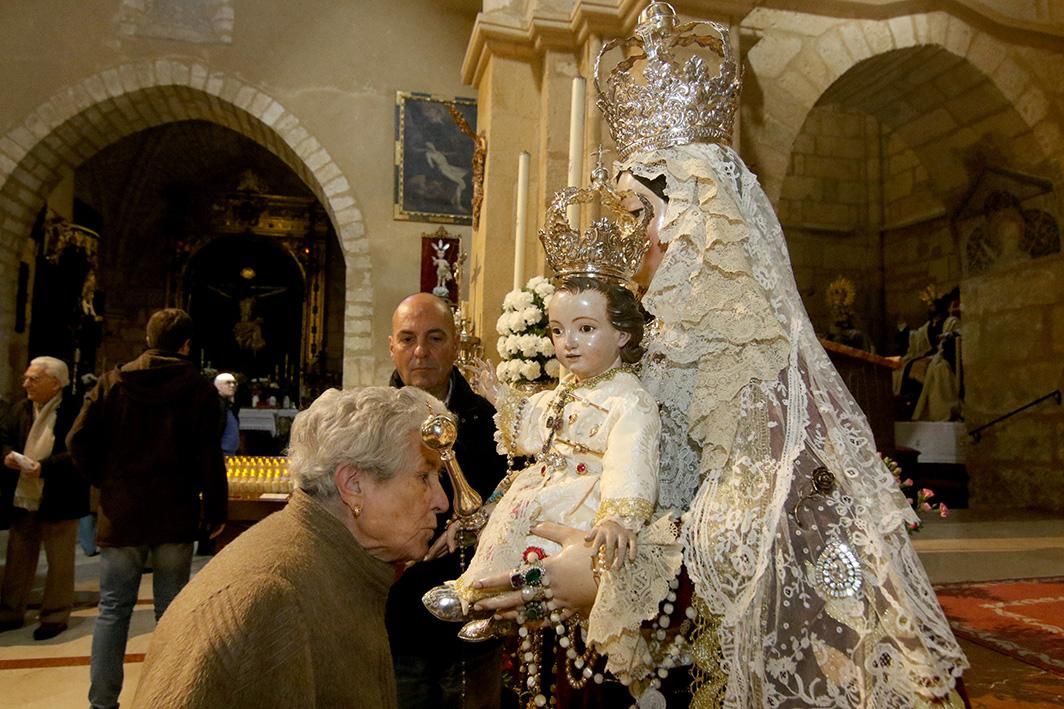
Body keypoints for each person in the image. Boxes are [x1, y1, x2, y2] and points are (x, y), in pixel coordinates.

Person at [474, 4, 968, 707]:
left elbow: (748, 540)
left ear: (699, 221)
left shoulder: (754, 358)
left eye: (638, 216)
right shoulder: (650, 344)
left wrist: (617, 571)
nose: (628, 237)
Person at [131, 386, 450, 709]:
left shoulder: (344, 566)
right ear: (353, 485)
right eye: (424, 477)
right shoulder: (268, 596)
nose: (442, 501)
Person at [68, 308, 229, 709]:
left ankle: (102, 703)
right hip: (174, 513)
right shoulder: (198, 388)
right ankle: (166, 698)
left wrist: (105, 481)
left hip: (122, 513)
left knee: (112, 610)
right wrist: (215, 509)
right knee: (171, 612)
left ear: (147, 338)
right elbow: (210, 456)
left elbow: (77, 440)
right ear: (187, 344)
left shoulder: (113, 382)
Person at [386, 292, 509, 709]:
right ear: (392, 347)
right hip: (394, 622)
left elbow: (520, 493)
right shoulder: (369, 426)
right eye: (407, 339)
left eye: (435, 338)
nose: (420, 352)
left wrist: (486, 519)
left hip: (471, 627)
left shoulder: (493, 422)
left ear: (457, 345)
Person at [0, 356, 88, 640]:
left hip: (59, 495)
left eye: (33, 379)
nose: (26, 383)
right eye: (26, 377)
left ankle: (55, 614)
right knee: (18, 557)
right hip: (24, 495)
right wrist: (7, 456)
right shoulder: (21, 409)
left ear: (55, 383)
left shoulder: (74, 410)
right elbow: (4, 437)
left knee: (60, 560)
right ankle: (11, 611)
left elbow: (81, 450)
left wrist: (45, 468)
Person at [214, 372, 240, 455]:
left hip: (228, 452)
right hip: (220, 453)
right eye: (228, 383)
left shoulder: (227, 404)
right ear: (218, 386)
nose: (232, 385)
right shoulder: (216, 404)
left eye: (234, 383)